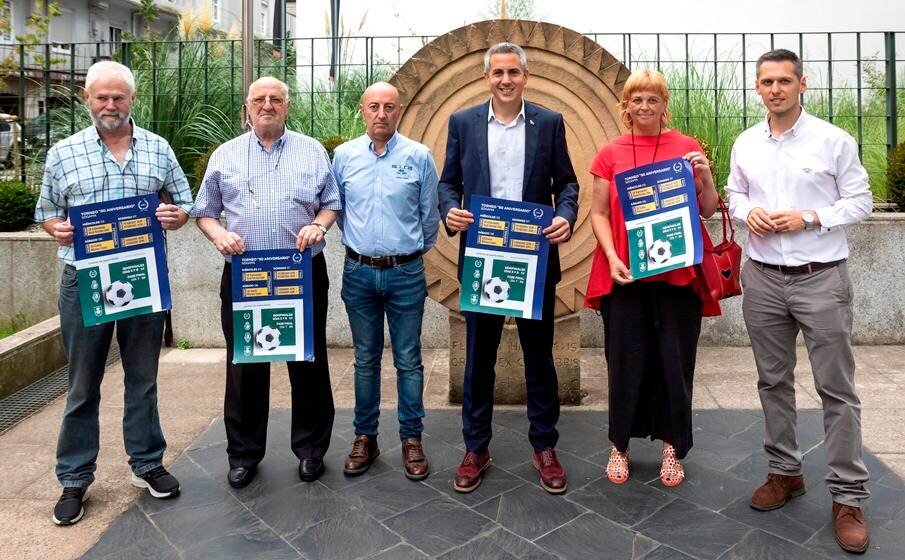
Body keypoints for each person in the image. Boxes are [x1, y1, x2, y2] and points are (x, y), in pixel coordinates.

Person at [726, 49, 873, 554]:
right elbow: (734, 194)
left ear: (802, 84)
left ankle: (848, 496)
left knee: (837, 389)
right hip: (762, 277)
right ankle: (785, 472)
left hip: (821, 279)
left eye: (784, 81)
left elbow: (860, 201)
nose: (775, 89)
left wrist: (809, 218)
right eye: (766, 81)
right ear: (757, 87)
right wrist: (752, 213)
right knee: (773, 381)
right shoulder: (745, 142)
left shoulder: (834, 140)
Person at [35, 60, 192, 525]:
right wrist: (57, 230)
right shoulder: (63, 152)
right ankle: (75, 479)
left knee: (142, 379)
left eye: (118, 97)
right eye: (101, 97)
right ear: (87, 98)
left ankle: (147, 464)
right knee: (83, 385)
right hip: (83, 279)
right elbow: (45, 211)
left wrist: (175, 216)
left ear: (132, 100)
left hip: (142, 277)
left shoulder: (158, 149)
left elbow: (183, 200)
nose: (110, 105)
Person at [438, 42, 579, 494]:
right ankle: (476, 447)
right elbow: (448, 184)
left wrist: (566, 216)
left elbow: (569, 184)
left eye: (513, 72)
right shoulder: (462, 123)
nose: (505, 79)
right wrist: (449, 211)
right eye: (497, 72)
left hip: (534, 257)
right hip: (482, 258)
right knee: (479, 359)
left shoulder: (549, 122)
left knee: (540, 358)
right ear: (486, 77)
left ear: (525, 75)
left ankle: (545, 446)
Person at [192, 76, 340, 489]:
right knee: (245, 363)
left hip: (301, 271)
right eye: (260, 99)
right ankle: (243, 454)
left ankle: (311, 450)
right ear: (248, 106)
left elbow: (331, 204)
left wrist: (318, 226)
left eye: (276, 99)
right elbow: (204, 210)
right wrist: (218, 235)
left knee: (308, 360)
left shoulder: (311, 151)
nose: (268, 105)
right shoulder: (225, 155)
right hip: (246, 274)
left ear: (287, 106)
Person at [584, 68, 719, 489]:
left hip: (677, 275)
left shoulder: (686, 147)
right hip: (625, 275)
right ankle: (619, 445)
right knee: (624, 362)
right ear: (625, 106)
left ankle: (672, 448)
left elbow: (709, 209)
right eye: (636, 99)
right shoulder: (610, 152)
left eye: (652, 99)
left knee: (675, 364)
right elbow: (599, 212)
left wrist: (706, 176)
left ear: (665, 105)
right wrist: (609, 256)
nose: (644, 106)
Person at [332, 82, 440, 480]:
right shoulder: (343, 157)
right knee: (365, 360)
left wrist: (405, 251)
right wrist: (364, 246)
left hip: (406, 272)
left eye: (389, 107)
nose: (381, 114)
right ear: (363, 110)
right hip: (358, 271)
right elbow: (337, 210)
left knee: (409, 360)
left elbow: (430, 216)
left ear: (399, 111)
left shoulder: (419, 156)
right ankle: (366, 437)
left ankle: (412, 440)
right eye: (374, 106)